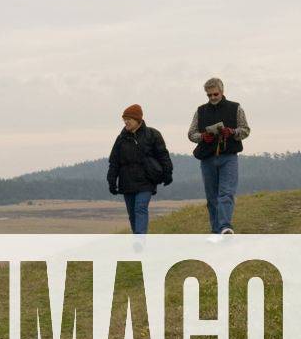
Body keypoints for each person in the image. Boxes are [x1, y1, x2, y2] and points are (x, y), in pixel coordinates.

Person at [187, 77, 251, 234]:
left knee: (226, 193)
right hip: (207, 158)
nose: (212, 97)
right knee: (212, 197)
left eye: (215, 94)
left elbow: (245, 130)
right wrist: (202, 137)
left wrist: (232, 132)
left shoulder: (236, 108)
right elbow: (191, 134)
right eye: (209, 95)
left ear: (222, 92)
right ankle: (216, 230)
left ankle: (225, 227)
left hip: (229, 156)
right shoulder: (200, 111)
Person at [107, 104, 174, 234]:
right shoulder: (121, 139)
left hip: (146, 181)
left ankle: (140, 239)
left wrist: (168, 172)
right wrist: (111, 181)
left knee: (140, 208)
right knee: (132, 213)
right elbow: (114, 161)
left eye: (129, 119)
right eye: (124, 119)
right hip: (127, 182)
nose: (126, 122)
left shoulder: (152, 134)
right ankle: (137, 239)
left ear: (138, 120)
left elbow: (163, 155)